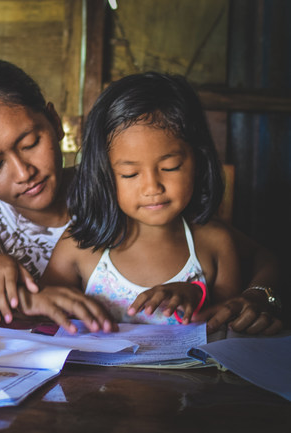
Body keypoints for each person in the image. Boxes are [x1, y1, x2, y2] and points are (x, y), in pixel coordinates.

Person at [0, 59, 281, 335]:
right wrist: (15, 295)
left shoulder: (119, 185)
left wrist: (256, 296)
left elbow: (256, 260)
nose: (24, 172)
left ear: (55, 121)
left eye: (29, 142)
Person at [39, 72, 283, 335]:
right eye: (130, 174)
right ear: (105, 174)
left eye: (170, 167)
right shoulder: (79, 246)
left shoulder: (216, 244)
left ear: (197, 161)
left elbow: (227, 327)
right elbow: (41, 313)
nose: (153, 187)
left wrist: (197, 295)